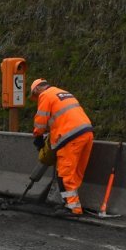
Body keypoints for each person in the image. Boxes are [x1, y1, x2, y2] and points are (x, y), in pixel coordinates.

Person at [29, 78, 94, 216]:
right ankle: (71, 203)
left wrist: (38, 138)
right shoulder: (63, 93)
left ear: (37, 90)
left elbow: (40, 121)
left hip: (69, 137)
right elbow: (60, 117)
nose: (36, 98)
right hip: (86, 133)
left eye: (35, 95)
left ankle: (73, 208)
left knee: (64, 174)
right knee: (76, 172)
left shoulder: (45, 95)